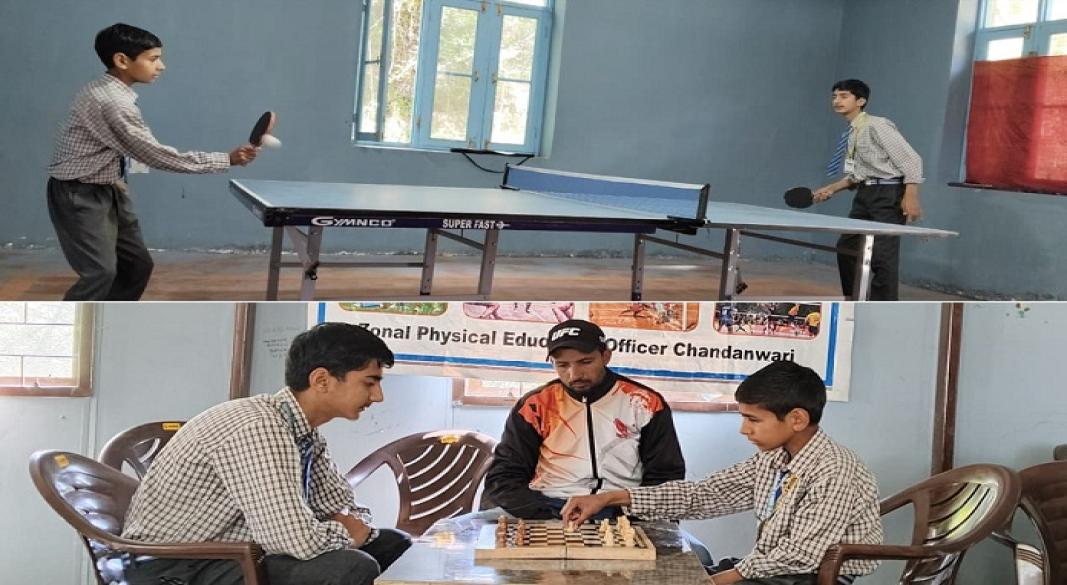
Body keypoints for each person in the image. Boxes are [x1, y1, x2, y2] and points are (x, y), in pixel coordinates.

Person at [122, 323, 412, 585]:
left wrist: (350, 529)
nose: (378, 396)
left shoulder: (304, 433)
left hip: (234, 554)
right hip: (174, 566)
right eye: (369, 383)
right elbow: (296, 541)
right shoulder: (259, 427)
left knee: (393, 543)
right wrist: (346, 532)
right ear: (322, 380)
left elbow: (345, 507)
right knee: (350, 567)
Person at [561, 360, 883, 585]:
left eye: (753, 420)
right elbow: (705, 494)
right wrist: (611, 498)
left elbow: (800, 555)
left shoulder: (834, 469)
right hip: (771, 569)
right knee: (663, 576)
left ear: (797, 419)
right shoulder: (773, 459)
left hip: (811, 576)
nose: (744, 430)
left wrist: (717, 580)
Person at [47, 23, 259, 301]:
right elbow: (155, 155)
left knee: (137, 267)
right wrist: (226, 159)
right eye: (153, 59)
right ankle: (79, 313)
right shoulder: (112, 102)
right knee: (99, 273)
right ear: (122, 60)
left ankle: (115, 313)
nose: (161, 66)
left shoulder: (107, 89)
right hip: (79, 194)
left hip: (108, 187)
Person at [482, 319, 714, 566]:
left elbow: (666, 477)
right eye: (562, 365)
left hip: (622, 510)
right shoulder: (535, 405)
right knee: (471, 540)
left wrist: (628, 512)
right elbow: (503, 477)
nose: (574, 375)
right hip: (549, 508)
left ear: (605, 356)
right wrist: (545, 515)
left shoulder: (644, 403)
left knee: (698, 558)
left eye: (585, 362)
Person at [813, 79, 923, 301]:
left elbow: (911, 160)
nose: (837, 101)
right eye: (834, 96)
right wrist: (832, 188)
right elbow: (859, 174)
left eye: (844, 96)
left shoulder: (877, 125)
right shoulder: (854, 131)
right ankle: (855, 299)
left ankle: (883, 305)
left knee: (883, 257)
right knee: (847, 247)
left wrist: (911, 196)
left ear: (860, 101)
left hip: (888, 195)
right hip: (865, 195)